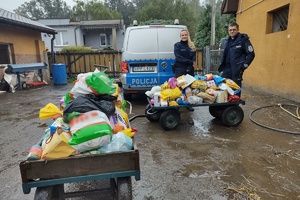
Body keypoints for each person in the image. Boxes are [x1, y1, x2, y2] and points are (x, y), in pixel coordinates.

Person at [218, 22, 255, 96]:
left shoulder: (243, 40)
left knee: (235, 90)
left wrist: (243, 66)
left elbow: (251, 54)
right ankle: (225, 106)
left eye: (234, 29)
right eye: (230, 30)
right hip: (227, 69)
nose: (232, 31)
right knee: (223, 88)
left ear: (238, 30)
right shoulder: (227, 41)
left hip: (237, 70)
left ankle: (234, 107)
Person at [173, 29, 196, 111]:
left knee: (188, 88)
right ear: (180, 36)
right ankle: (177, 105)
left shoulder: (192, 46)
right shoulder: (177, 45)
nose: (184, 36)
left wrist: (189, 67)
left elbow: (194, 58)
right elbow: (179, 58)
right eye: (182, 35)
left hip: (189, 70)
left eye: (185, 35)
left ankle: (189, 104)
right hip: (179, 69)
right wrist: (190, 62)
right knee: (179, 88)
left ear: (188, 35)